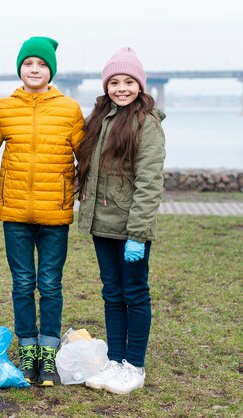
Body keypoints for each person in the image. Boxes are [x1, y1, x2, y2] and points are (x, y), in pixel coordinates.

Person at [0, 36, 84, 386]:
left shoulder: (69, 109)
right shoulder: (4, 107)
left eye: (41, 64)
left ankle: (49, 352)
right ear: (20, 69)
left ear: (51, 71)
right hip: (14, 213)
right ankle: (27, 349)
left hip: (54, 214)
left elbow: (86, 157)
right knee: (22, 284)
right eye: (28, 63)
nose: (34, 69)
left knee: (50, 284)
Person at [76, 47, 166, 395]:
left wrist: (138, 235)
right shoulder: (100, 119)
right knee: (112, 293)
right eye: (115, 82)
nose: (122, 88)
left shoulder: (148, 124)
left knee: (135, 294)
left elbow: (149, 183)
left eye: (129, 82)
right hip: (103, 225)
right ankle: (115, 360)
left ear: (140, 86)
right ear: (107, 86)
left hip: (131, 230)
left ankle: (134, 366)